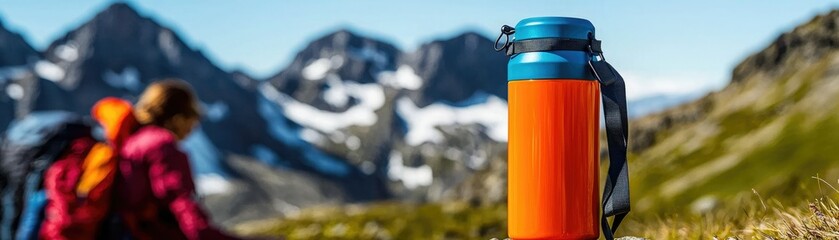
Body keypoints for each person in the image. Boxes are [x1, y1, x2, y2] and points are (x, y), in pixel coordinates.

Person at [114, 79, 239, 240]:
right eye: (192, 119)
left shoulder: (132, 143)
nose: (192, 129)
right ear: (178, 118)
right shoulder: (161, 146)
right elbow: (186, 212)